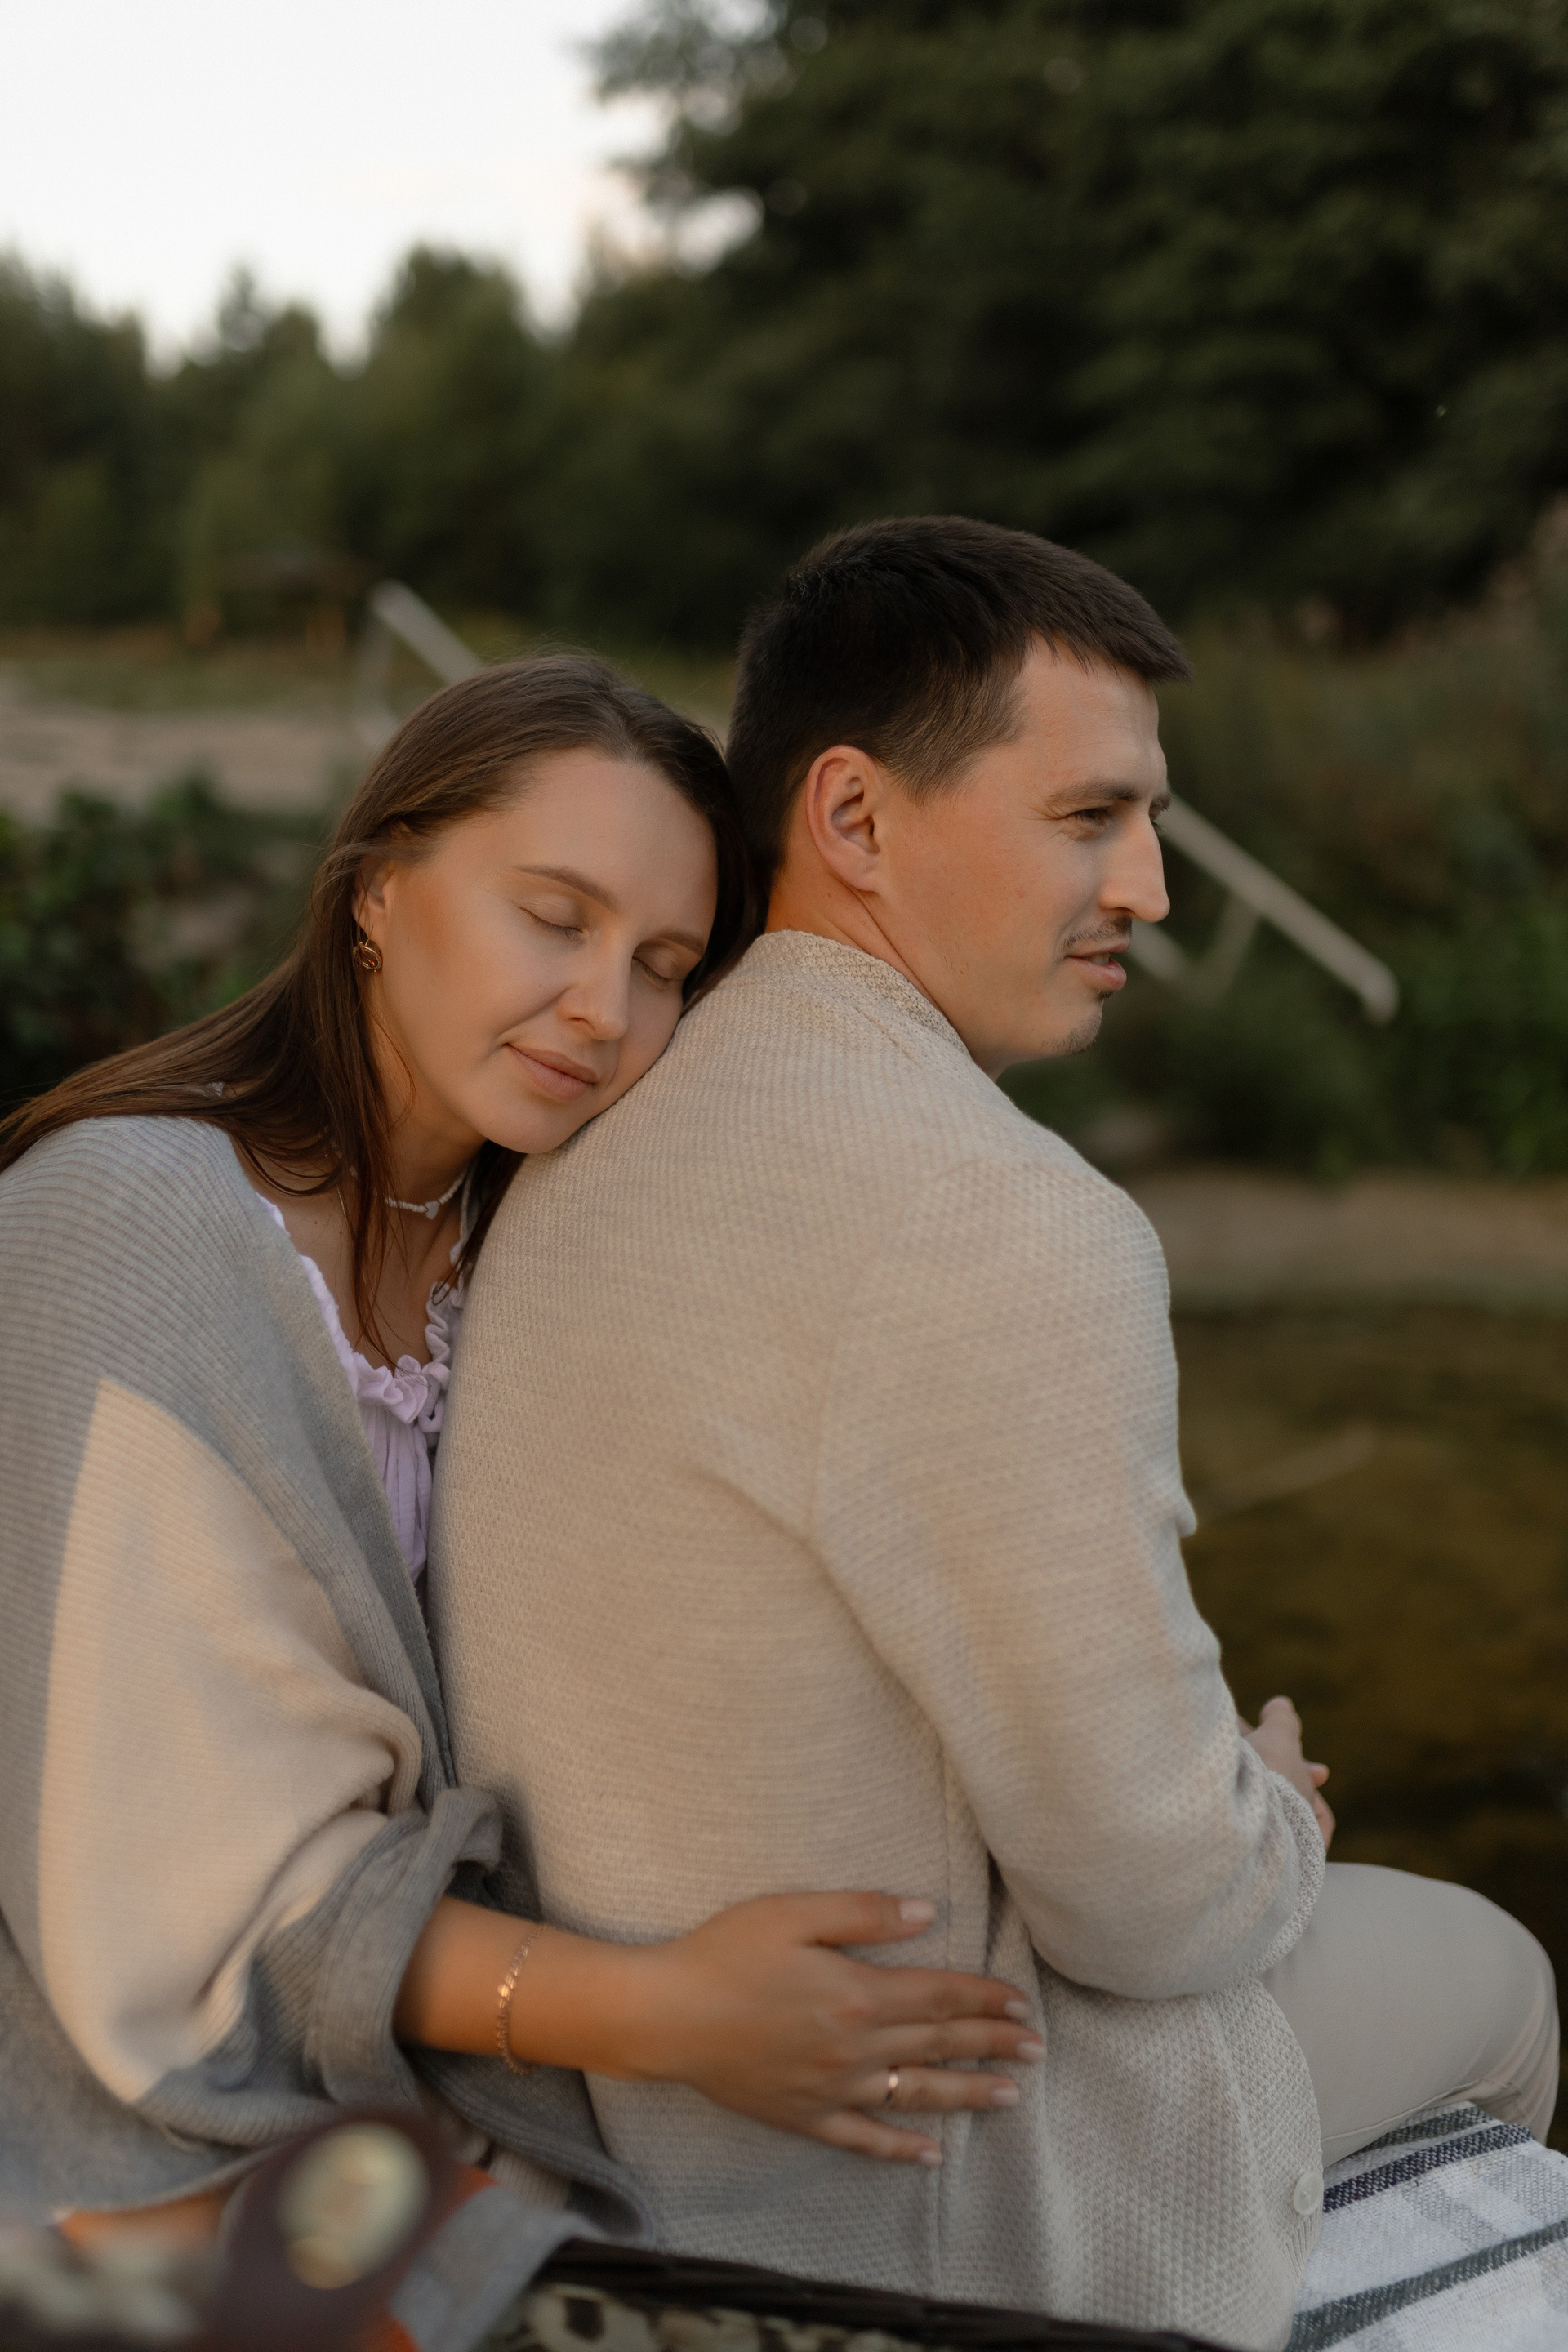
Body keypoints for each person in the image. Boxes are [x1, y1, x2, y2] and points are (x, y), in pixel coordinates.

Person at [430, 522, 1558, 2352]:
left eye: (1152, 823)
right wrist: (1267, 1809)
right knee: (1501, 1978)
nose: (1153, 890)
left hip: (592, 2150)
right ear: (855, 819)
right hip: (909, 2202)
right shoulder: (1002, 1221)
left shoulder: (581, 1130)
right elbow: (1154, 1912)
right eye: (1090, 817)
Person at [0, 656, 1045, 2252]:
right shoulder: (126, 1226)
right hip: (117, 2113)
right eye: (554, 918)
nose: (603, 1009)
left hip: (477, 2036)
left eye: (665, 966)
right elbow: (176, 1878)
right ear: (377, 888)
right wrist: (662, 2013)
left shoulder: (536, 1238)